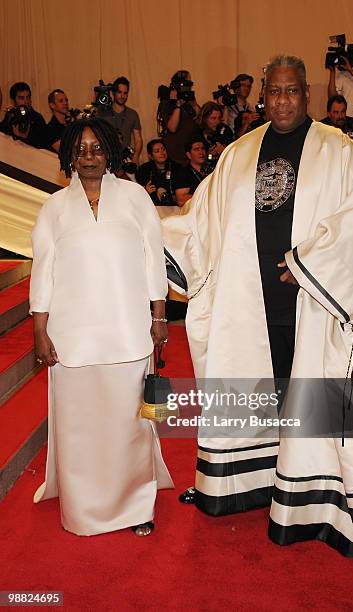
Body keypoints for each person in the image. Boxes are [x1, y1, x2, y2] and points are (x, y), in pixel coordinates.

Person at [162, 55, 353, 557]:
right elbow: (203, 215)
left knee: (309, 393)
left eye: (292, 91)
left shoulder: (340, 152)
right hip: (250, 302)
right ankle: (254, 479)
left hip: (313, 302)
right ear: (264, 95)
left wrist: (308, 263)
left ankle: (312, 489)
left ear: (306, 93)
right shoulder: (240, 153)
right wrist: (160, 245)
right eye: (274, 92)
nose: (283, 100)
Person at [29, 118, 173, 537]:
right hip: (72, 339)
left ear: (110, 152)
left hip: (128, 332)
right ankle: (82, 508)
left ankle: (134, 506)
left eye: (96, 148)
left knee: (129, 425)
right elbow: (44, 270)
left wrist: (159, 315)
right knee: (81, 427)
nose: (89, 156)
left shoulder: (133, 198)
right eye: (81, 149)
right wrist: (40, 329)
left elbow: (153, 258)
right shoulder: (54, 207)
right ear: (69, 156)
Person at [158, 70, 201, 165]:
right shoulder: (167, 103)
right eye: (186, 82)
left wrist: (193, 103)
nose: (188, 85)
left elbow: (200, 119)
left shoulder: (189, 100)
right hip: (175, 155)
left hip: (190, 155)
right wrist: (177, 105)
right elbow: (172, 128)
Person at [137, 139, 188, 206]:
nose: (162, 153)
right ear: (150, 156)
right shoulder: (144, 169)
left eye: (163, 149)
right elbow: (138, 194)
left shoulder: (177, 168)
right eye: (157, 151)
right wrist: (145, 192)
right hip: (153, 207)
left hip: (174, 207)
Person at [103, 76, 143, 164]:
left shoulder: (132, 114)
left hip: (126, 158)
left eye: (125, 93)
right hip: (107, 158)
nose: (122, 96)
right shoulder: (103, 112)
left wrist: (136, 157)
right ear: (113, 93)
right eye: (119, 92)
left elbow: (138, 139)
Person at [0, 81, 47, 148]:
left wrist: (25, 137)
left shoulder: (37, 118)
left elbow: (43, 144)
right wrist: (7, 117)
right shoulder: (12, 115)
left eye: (28, 97)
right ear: (13, 101)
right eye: (21, 98)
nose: (26, 101)